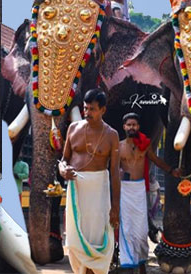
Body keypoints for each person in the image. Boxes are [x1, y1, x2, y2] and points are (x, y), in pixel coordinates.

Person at [58, 89, 121, 274]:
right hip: (76, 188)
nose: (87, 113)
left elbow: (115, 173)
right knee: (75, 239)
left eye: (92, 109)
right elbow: (63, 160)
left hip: (99, 192)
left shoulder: (111, 135)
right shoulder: (73, 128)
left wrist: (115, 207)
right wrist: (63, 170)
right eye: (85, 108)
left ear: (103, 110)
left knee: (97, 238)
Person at [117, 113, 181, 273]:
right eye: (129, 125)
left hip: (139, 189)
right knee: (127, 229)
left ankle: (141, 262)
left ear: (138, 127)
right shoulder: (118, 146)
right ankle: (128, 265)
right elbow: (113, 167)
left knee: (141, 230)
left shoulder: (145, 144)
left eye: (134, 125)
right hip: (124, 189)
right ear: (124, 127)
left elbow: (155, 160)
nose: (132, 127)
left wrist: (171, 170)